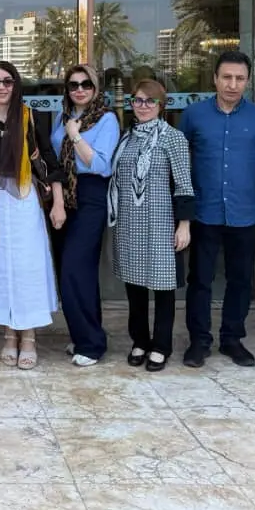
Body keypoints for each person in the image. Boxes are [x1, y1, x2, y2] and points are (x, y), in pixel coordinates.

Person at [0, 61, 65, 370]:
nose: (1, 87)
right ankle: (9, 334)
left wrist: (58, 203)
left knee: (26, 267)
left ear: (16, 85)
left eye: (7, 81)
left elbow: (50, 162)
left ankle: (28, 336)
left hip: (23, 200)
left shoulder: (29, 118)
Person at [179, 50, 255, 369]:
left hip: (245, 212)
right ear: (215, 79)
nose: (232, 84)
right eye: (227, 77)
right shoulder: (193, 115)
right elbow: (180, 162)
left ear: (247, 81)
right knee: (200, 279)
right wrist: (182, 211)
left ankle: (232, 339)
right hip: (203, 211)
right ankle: (199, 341)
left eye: (239, 78)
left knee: (240, 279)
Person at [109, 80, 195, 372]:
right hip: (129, 223)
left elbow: (184, 184)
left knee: (162, 287)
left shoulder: (173, 138)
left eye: (150, 101)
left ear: (161, 105)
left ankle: (160, 346)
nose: (143, 106)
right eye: (138, 100)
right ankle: (140, 341)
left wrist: (184, 225)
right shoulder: (126, 138)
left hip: (161, 223)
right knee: (134, 287)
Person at [50, 64, 120, 368]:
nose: (79, 90)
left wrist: (76, 136)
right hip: (63, 197)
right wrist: (56, 200)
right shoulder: (62, 116)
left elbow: (101, 165)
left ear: (95, 88)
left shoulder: (106, 119)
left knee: (75, 269)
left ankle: (92, 344)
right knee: (71, 270)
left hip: (91, 195)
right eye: (73, 85)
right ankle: (82, 336)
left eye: (86, 84)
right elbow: (54, 160)